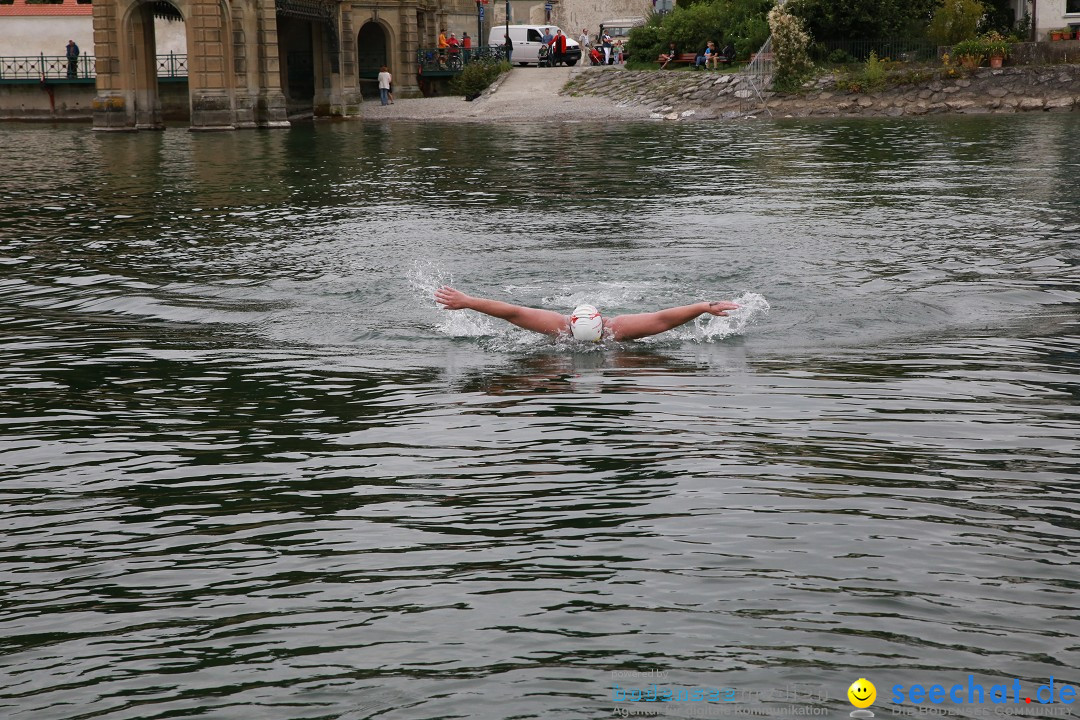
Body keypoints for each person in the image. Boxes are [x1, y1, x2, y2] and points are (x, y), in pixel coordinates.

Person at [434, 286, 739, 342]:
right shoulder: (559, 327)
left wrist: (703, 306)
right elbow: (511, 313)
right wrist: (468, 301)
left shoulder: (617, 329)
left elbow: (662, 319)